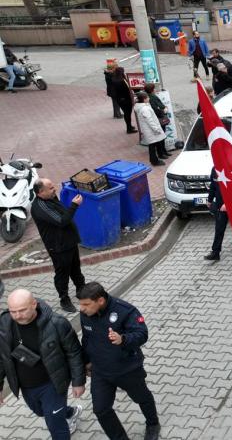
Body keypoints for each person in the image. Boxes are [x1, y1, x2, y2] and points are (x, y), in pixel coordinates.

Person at [77, 282, 160, 440]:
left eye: (86, 304)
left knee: (142, 397)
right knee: (101, 409)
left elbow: (142, 334)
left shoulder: (125, 310)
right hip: (100, 371)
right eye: (80, 304)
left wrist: (123, 339)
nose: (82, 308)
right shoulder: (86, 314)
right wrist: (86, 361)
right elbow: (87, 339)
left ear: (100, 300)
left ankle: (153, 423)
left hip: (127, 369)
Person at [0, 289, 85, 438]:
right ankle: (69, 412)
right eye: (13, 311)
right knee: (41, 411)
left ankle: (60, 415)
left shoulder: (56, 323)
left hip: (53, 383)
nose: (17, 316)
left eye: (22, 310)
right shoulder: (4, 323)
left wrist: (78, 381)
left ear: (34, 304)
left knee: (55, 424)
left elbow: (74, 353)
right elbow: (2, 356)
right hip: (26, 386)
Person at [29, 179, 86, 312]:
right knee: (62, 274)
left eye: (53, 186)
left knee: (75, 268)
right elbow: (62, 221)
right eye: (50, 188)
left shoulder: (51, 198)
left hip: (69, 241)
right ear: (40, 192)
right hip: (58, 247)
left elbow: (63, 214)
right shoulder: (40, 207)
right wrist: (74, 205)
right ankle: (64, 300)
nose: (54, 189)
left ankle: (82, 290)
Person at [204, 164, 232, 261]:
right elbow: (213, 186)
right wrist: (210, 199)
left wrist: (228, 204)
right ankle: (215, 252)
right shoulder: (214, 169)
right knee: (219, 228)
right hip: (220, 206)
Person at [133, 92, 168, 166]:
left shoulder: (142, 107)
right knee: (152, 145)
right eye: (147, 97)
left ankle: (156, 158)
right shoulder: (145, 109)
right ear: (144, 99)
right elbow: (150, 121)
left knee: (154, 144)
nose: (149, 98)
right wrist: (156, 129)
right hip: (151, 130)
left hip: (149, 130)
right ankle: (154, 161)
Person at [109, 67, 138, 134]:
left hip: (119, 100)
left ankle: (129, 126)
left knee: (126, 113)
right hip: (126, 99)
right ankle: (129, 129)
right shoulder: (122, 81)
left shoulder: (114, 79)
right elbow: (127, 90)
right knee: (128, 114)